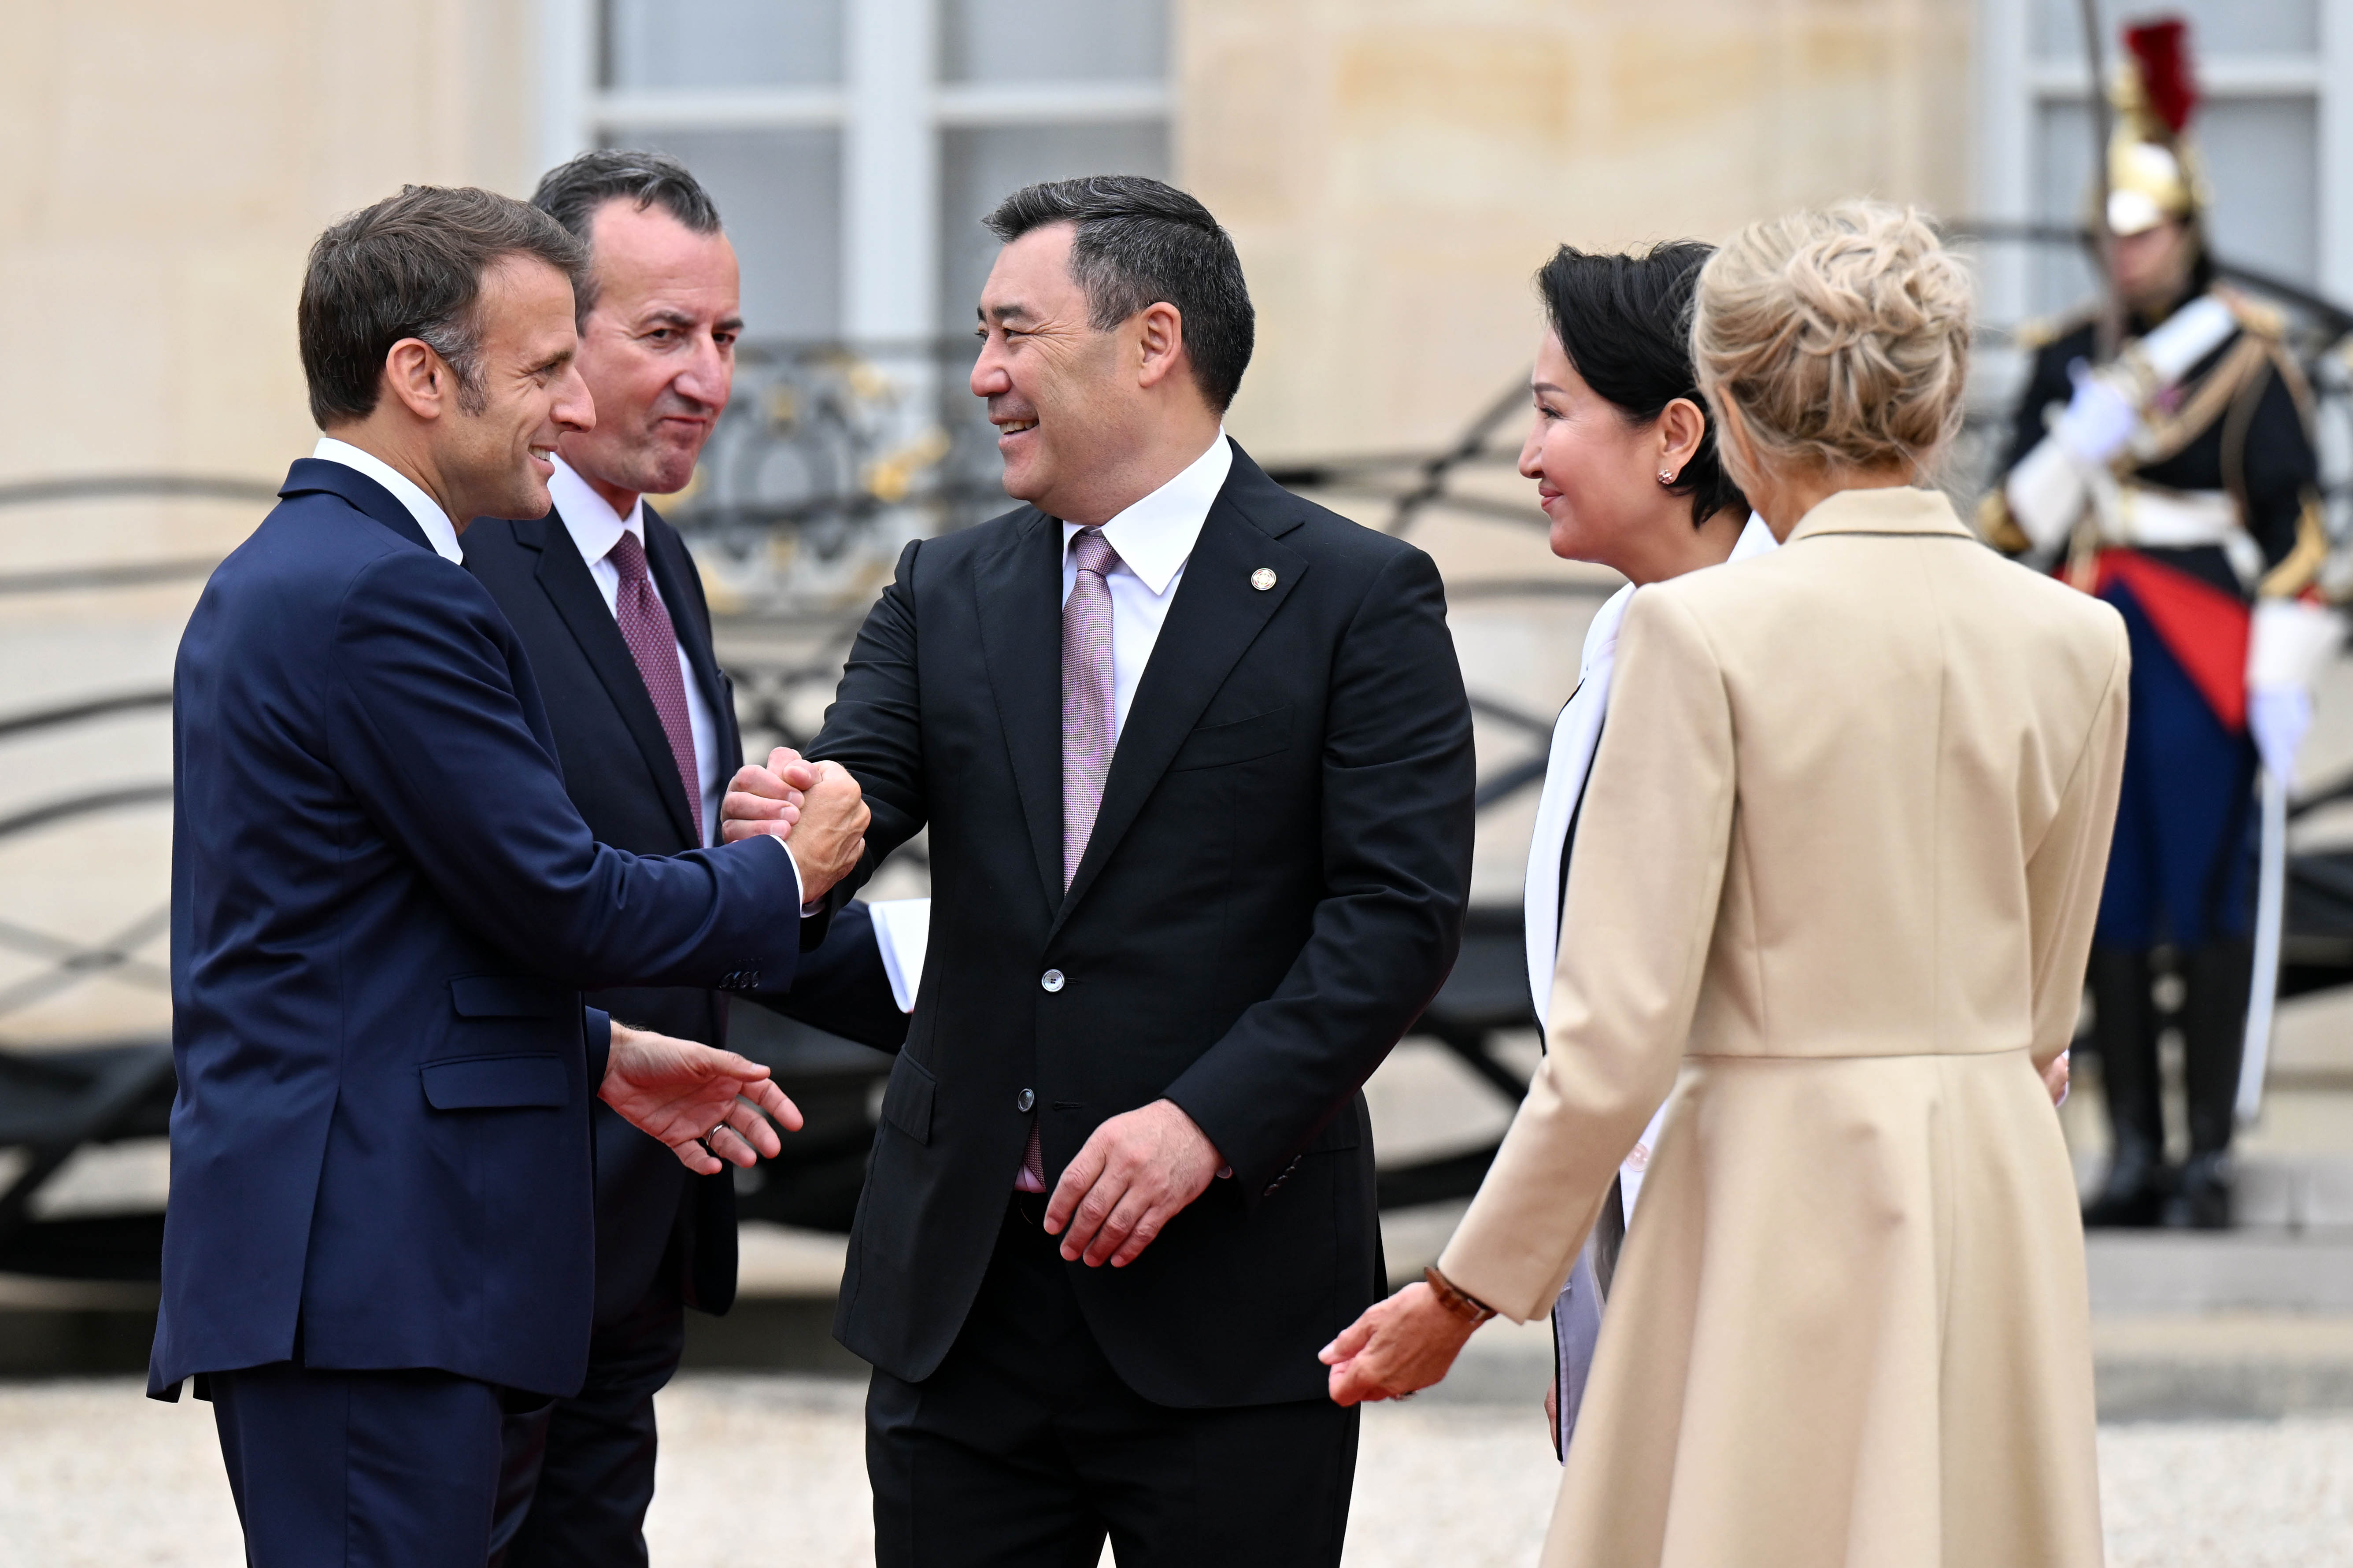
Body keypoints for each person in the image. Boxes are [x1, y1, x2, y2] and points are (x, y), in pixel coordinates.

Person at [1324, 203, 2123, 1568]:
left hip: (1775, 1183)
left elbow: (1616, 1042)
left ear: (1733, 412)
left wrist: (1460, 1292)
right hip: (1995, 1187)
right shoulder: (2080, 635)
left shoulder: (1697, 635)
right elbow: (2046, 1009)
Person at [724, 175, 1477, 1567]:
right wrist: (796, 822)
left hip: (1231, 1298)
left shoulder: (1358, 597)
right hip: (963, 1304)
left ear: (1153, 343)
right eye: (979, 335)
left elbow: (1394, 923)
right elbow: (855, 792)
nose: (981, 375)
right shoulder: (942, 587)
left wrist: (1203, 1124)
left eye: (1014, 332)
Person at [152, 184, 871, 1568]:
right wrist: (788, 871)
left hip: (376, 1271)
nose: (572, 406)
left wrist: (597, 1051)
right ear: (421, 378)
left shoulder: (319, 568)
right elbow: (565, 898)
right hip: (377, 1274)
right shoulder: (383, 590)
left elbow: (375, 935)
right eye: (544, 369)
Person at [462, 151, 910, 1565]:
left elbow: (664, 867)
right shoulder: (458, 569)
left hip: (642, 1234)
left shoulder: (663, 565)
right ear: (551, 342)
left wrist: (750, 848)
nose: (708, 379)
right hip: (488, 1232)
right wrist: (776, 876)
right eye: (665, 334)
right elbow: (503, 892)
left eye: (726, 337)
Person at [1981, 18, 2330, 1229]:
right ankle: (2132, 1145)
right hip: (2096, 640)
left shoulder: (2247, 356)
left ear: (2187, 231)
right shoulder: (2068, 358)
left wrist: (2282, 669)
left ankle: (2209, 1152)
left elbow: (2296, 528)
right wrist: (2076, 446)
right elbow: (2008, 524)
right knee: (2108, 903)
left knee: (2211, 901)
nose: (2128, 256)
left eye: (2148, 234)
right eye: (2114, 237)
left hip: (2205, 647)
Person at [1508, 240, 1771, 1460]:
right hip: (1647, 1230)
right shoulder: (1626, 633)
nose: (1527, 457)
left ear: (1675, 437)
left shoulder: (1797, 644)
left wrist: (1469, 1288)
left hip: (1772, 1248)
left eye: (1553, 414)